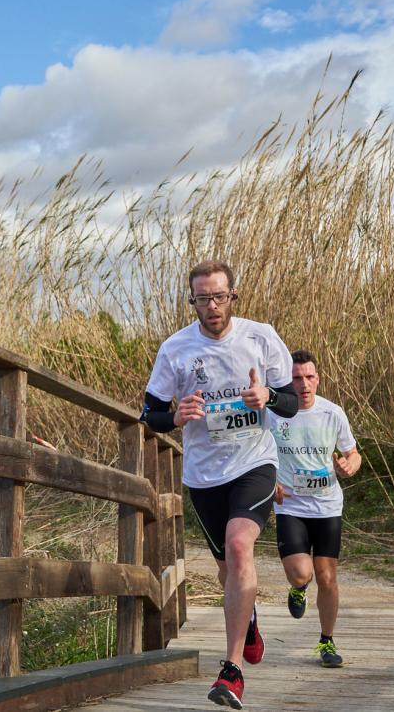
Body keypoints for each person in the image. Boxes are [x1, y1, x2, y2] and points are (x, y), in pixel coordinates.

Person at [140, 260, 298, 709]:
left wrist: (267, 396)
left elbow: (289, 403)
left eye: (219, 296)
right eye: (202, 298)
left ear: (233, 297)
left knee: (239, 545)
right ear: (192, 301)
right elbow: (148, 414)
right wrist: (175, 416)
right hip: (204, 475)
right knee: (227, 567)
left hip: (254, 462)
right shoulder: (176, 349)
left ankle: (231, 671)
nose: (212, 306)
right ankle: (246, 618)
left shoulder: (261, 337)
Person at [268, 349, 362, 668]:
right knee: (301, 573)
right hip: (290, 505)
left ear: (318, 379)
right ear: (287, 381)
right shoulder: (273, 414)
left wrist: (349, 465)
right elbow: (252, 453)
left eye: (309, 377)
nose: (303, 384)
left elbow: (353, 452)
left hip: (327, 505)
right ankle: (298, 589)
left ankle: (326, 642)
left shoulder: (332, 413)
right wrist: (269, 483)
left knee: (327, 577)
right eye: (296, 378)